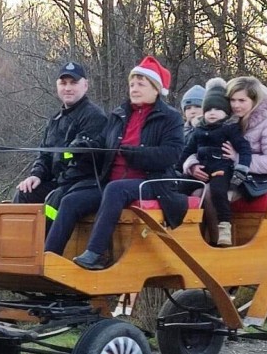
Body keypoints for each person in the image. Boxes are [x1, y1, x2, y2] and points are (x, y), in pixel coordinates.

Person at [44, 56, 185, 270]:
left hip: (151, 183)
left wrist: (137, 154)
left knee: (115, 189)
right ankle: (48, 258)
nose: (134, 89)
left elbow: (172, 154)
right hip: (112, 182)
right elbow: (103, 144)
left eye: (141, 84)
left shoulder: (170, 118)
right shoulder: (119, 115)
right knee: (71, 200)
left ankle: (96, 254)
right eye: (132, 84)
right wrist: (83, 147)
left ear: (156, 88)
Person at [183, 73, 267, 214]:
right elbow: (199, 145)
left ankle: (220, 235)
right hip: (220, 170)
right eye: (232, 100)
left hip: (254, 178)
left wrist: (237, 158)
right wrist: (192, 165)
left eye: (242, 100)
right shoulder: (225, 117)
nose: (236, 105)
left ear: (254, 100)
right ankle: (196, 235)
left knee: (211, 193)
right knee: (194, 192)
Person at [13, 61, 107, 210]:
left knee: (53, 204)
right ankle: (18, 234)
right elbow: (44, 155)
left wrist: (61, 182)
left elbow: (84, 163)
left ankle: (48, 233)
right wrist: (36, 175)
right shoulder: (55, 119)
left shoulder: (94, 117)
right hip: (58, 183)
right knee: (24, 193)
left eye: (73, 83)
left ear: (85, 85)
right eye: (63, 83)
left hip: (80, 185)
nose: (68, 88)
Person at [181, 78, 252, 246]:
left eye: (217, 109)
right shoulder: (197, 129)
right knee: (180, 188)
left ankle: (221, 234)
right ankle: (189, 237)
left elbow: (245, 149)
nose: (212, 113)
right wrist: (185, 166)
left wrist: (240, 169)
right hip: (201, 171)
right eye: (208, 109)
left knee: (215, 191)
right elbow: (186, 151)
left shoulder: (229, 129)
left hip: (223, 170)